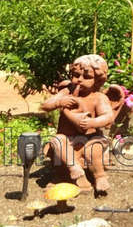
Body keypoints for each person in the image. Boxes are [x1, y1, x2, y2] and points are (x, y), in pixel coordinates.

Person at [41, 54, 118, 196]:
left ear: (97, 81)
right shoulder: (67, 92)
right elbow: (45, 105)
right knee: (57, 141)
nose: (79, 80)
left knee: (93, 148)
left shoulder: (98, 97)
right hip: (68, 138)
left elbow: (108, 117)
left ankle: (99, 177)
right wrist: (59, 102)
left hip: (90, 138)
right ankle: (74, 169)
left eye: (87, 77)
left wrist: (92, 122)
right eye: (76, 75)